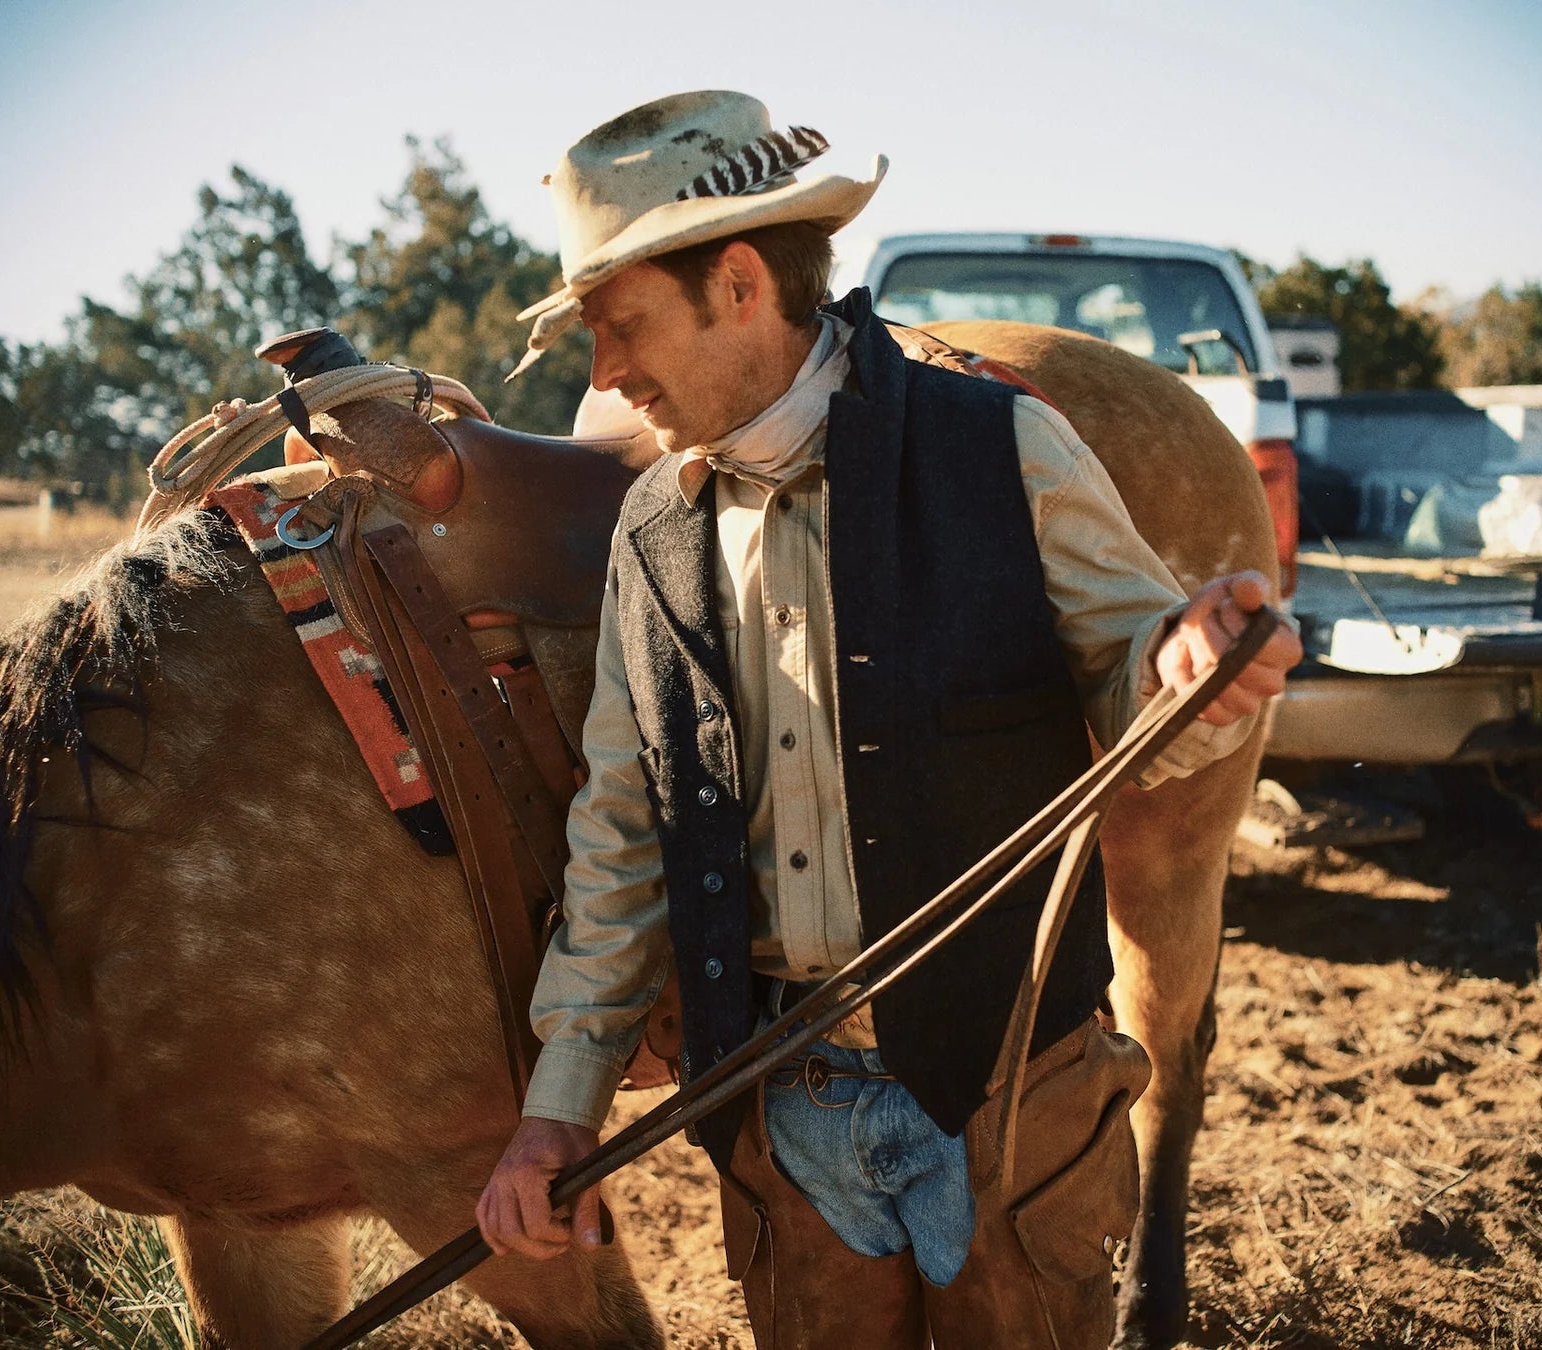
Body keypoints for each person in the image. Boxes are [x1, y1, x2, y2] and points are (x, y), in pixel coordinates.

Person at [477, 89, 1302, 1348]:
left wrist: (1186, 674)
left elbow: (1145, 681)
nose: (606, 376)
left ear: (740, 282)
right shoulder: (651, 533)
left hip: (1015, 1100)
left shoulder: (1006, 448)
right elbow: (623, 830)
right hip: (786, 1120)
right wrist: (558, 1109)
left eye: (621, 324)